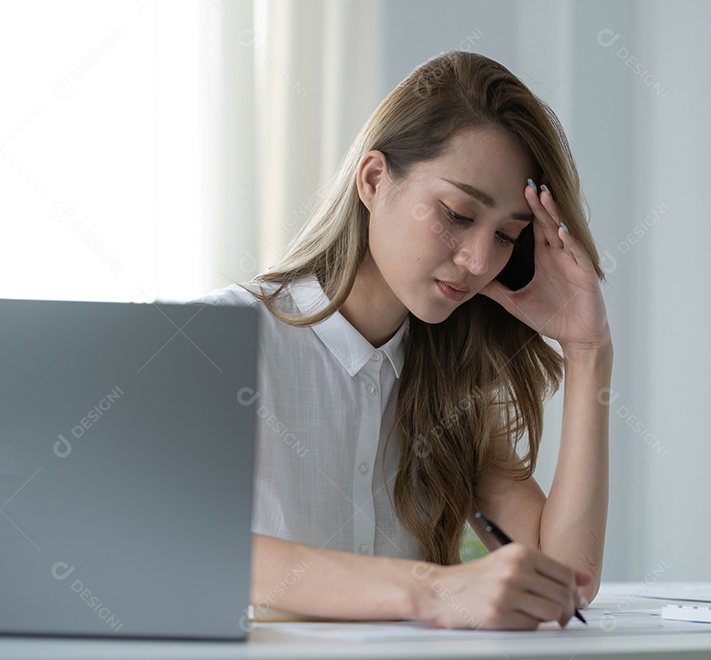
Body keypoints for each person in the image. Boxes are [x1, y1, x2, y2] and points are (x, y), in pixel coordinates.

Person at [193, 50, 613, 631]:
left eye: (508, 237)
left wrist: (589, 352)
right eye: (458, 214)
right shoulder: (221, 340)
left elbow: (566, 580)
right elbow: (190, 547)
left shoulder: (451, 377)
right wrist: (433, 589)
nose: (478, 260)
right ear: (373, 180)